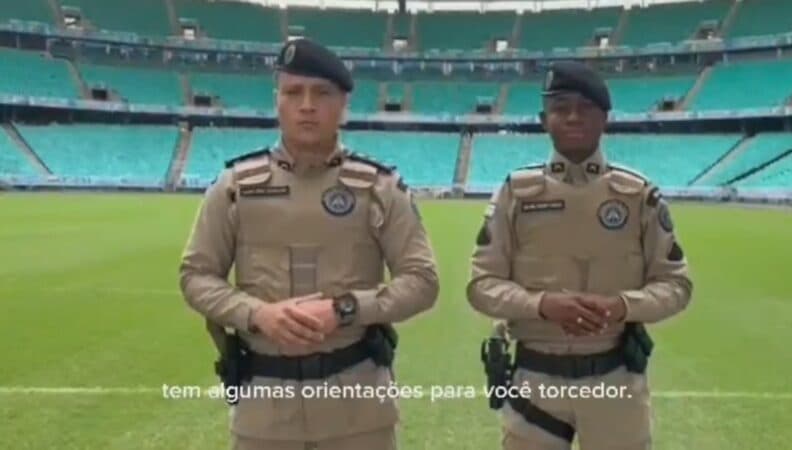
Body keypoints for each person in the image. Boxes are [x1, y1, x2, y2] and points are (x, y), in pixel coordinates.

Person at [179, 38, 439, 450]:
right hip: (264, 408)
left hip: (358, 406)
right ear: (277, 101)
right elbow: (195, 276)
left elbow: (422, 281)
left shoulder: (379, 188)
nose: (306, 105)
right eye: (293, 92)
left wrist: (345, 310)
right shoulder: (234, 187)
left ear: (343, 104)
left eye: (322, 94)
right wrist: (257, 314)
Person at [468, 61, 693, 450]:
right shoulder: (513, 194)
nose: (573, 116)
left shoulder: (639, 196)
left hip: (615, 378)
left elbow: (676, 285)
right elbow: (481, 286)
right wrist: (542, 305)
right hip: (534, 380)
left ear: (605, 118)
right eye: (560, 107)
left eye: (585, 107)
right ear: (544, 119)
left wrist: (621, 306)